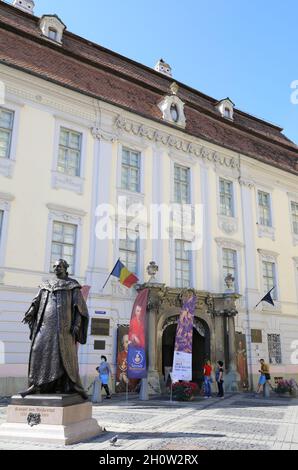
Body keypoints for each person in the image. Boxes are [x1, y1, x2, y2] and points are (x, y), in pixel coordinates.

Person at [20, 259, 89, 399]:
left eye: (59, 266)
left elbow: (80, 309)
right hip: (45, 327)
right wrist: (30, 312)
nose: (57, 268)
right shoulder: (46, 285)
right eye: (55, 266)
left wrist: (76, 325)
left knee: (63, 355)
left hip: (64, 329)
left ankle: (70, 386)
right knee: (37, 350)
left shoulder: (72, 285)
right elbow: (36, 302)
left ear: (65, 268)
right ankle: (36, 385)